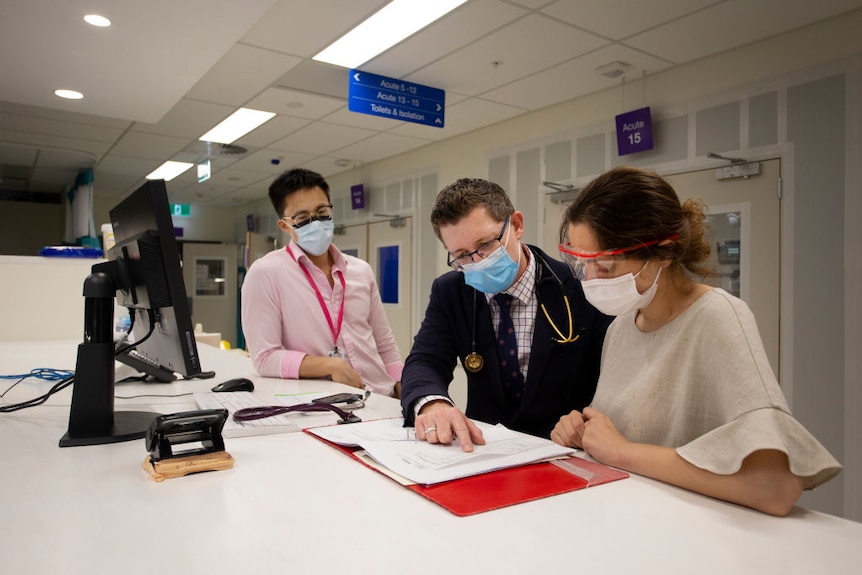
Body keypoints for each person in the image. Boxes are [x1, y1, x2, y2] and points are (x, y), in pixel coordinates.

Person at [551, 166, 841, 516]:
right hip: (631, 523)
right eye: (582, 264)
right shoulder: (622, 327)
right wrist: (583, 433)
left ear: (664, 252)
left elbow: (775, 486)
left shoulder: (717, 316)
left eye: (607, 266)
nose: (592, 281)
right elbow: (622, 434)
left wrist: (620, 451)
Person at [401, 178, 611, 451]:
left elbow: (611, 377)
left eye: (486, 244)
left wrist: (587, 421)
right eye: (462, 255)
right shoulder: (451, 290)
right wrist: (432, 403)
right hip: (484, 450)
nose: (477, 262)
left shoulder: (579, 286)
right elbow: (425, 360)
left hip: (565, 452)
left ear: (517, 225)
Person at [241, 168, 403, 397]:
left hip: (381, 395)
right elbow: (265, 357)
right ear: (285, 226)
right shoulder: (265, 273)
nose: (315, 223)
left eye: (322, 211)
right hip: (328, 405)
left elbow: (384, 342)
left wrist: (402, 384)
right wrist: (329, 365)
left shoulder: (360, 270)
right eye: (303, 218)